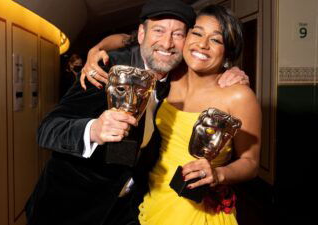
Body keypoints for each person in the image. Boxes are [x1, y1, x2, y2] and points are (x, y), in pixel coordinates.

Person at [25, 0, 248, 225]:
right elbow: (47, 128)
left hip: (131, 210)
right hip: (70, 210)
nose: (167, 42)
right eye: (158, 30)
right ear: (141, 33)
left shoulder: (178, 76)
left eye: (178, 34)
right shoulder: (105, 69)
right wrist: (94, 129)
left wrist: (229, 71)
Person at [82, 4, 261, 225]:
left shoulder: (239, 96)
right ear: (185, 38)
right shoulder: (169, 75)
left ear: (228, 51)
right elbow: (131, 38)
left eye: (216, 40)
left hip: (198, 210)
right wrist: (95, 49)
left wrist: (218, 175)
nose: (203, 44)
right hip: (151, 198)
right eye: (197, 33)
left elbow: (251, 162)